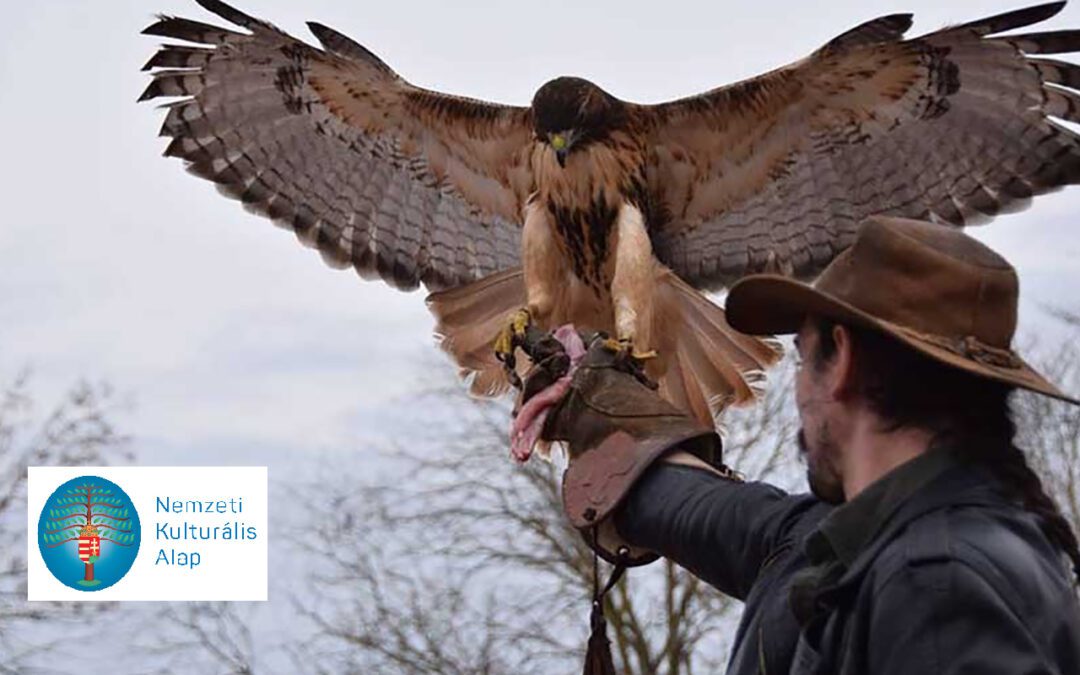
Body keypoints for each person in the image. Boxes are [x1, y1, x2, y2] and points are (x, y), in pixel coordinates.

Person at [520, 216, 1080, 674]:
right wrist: (589, 395)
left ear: (842, 361)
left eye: (799, 355)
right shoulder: (839, 543)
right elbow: (694, 504)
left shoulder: (939, 584)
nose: (796, 388)